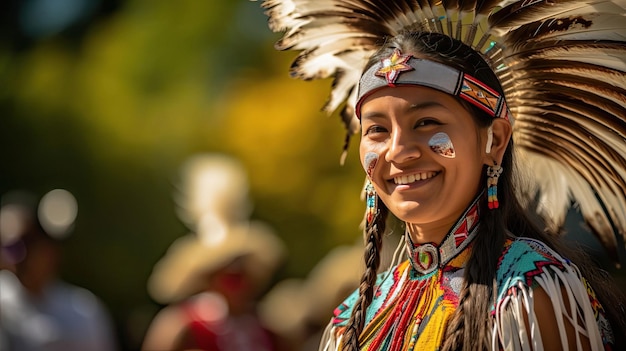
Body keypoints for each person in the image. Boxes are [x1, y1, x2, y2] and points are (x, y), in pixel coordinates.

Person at [259, 1, 626, 350]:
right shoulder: (352, 318)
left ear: (494, 140)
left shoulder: (530, 292)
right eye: (377, 130)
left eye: (426, 122)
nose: (398, 152)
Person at [141, 154, 285, 351]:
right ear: (208, 278)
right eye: (230, 276)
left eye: (243, 274)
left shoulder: (268, 331)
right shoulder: (182, 327)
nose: (240, 281)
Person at [0, 189, 118, 351]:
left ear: (49, 249)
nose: (17, 257)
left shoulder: (84, 311)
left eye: (26, 244)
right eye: (9, 247)